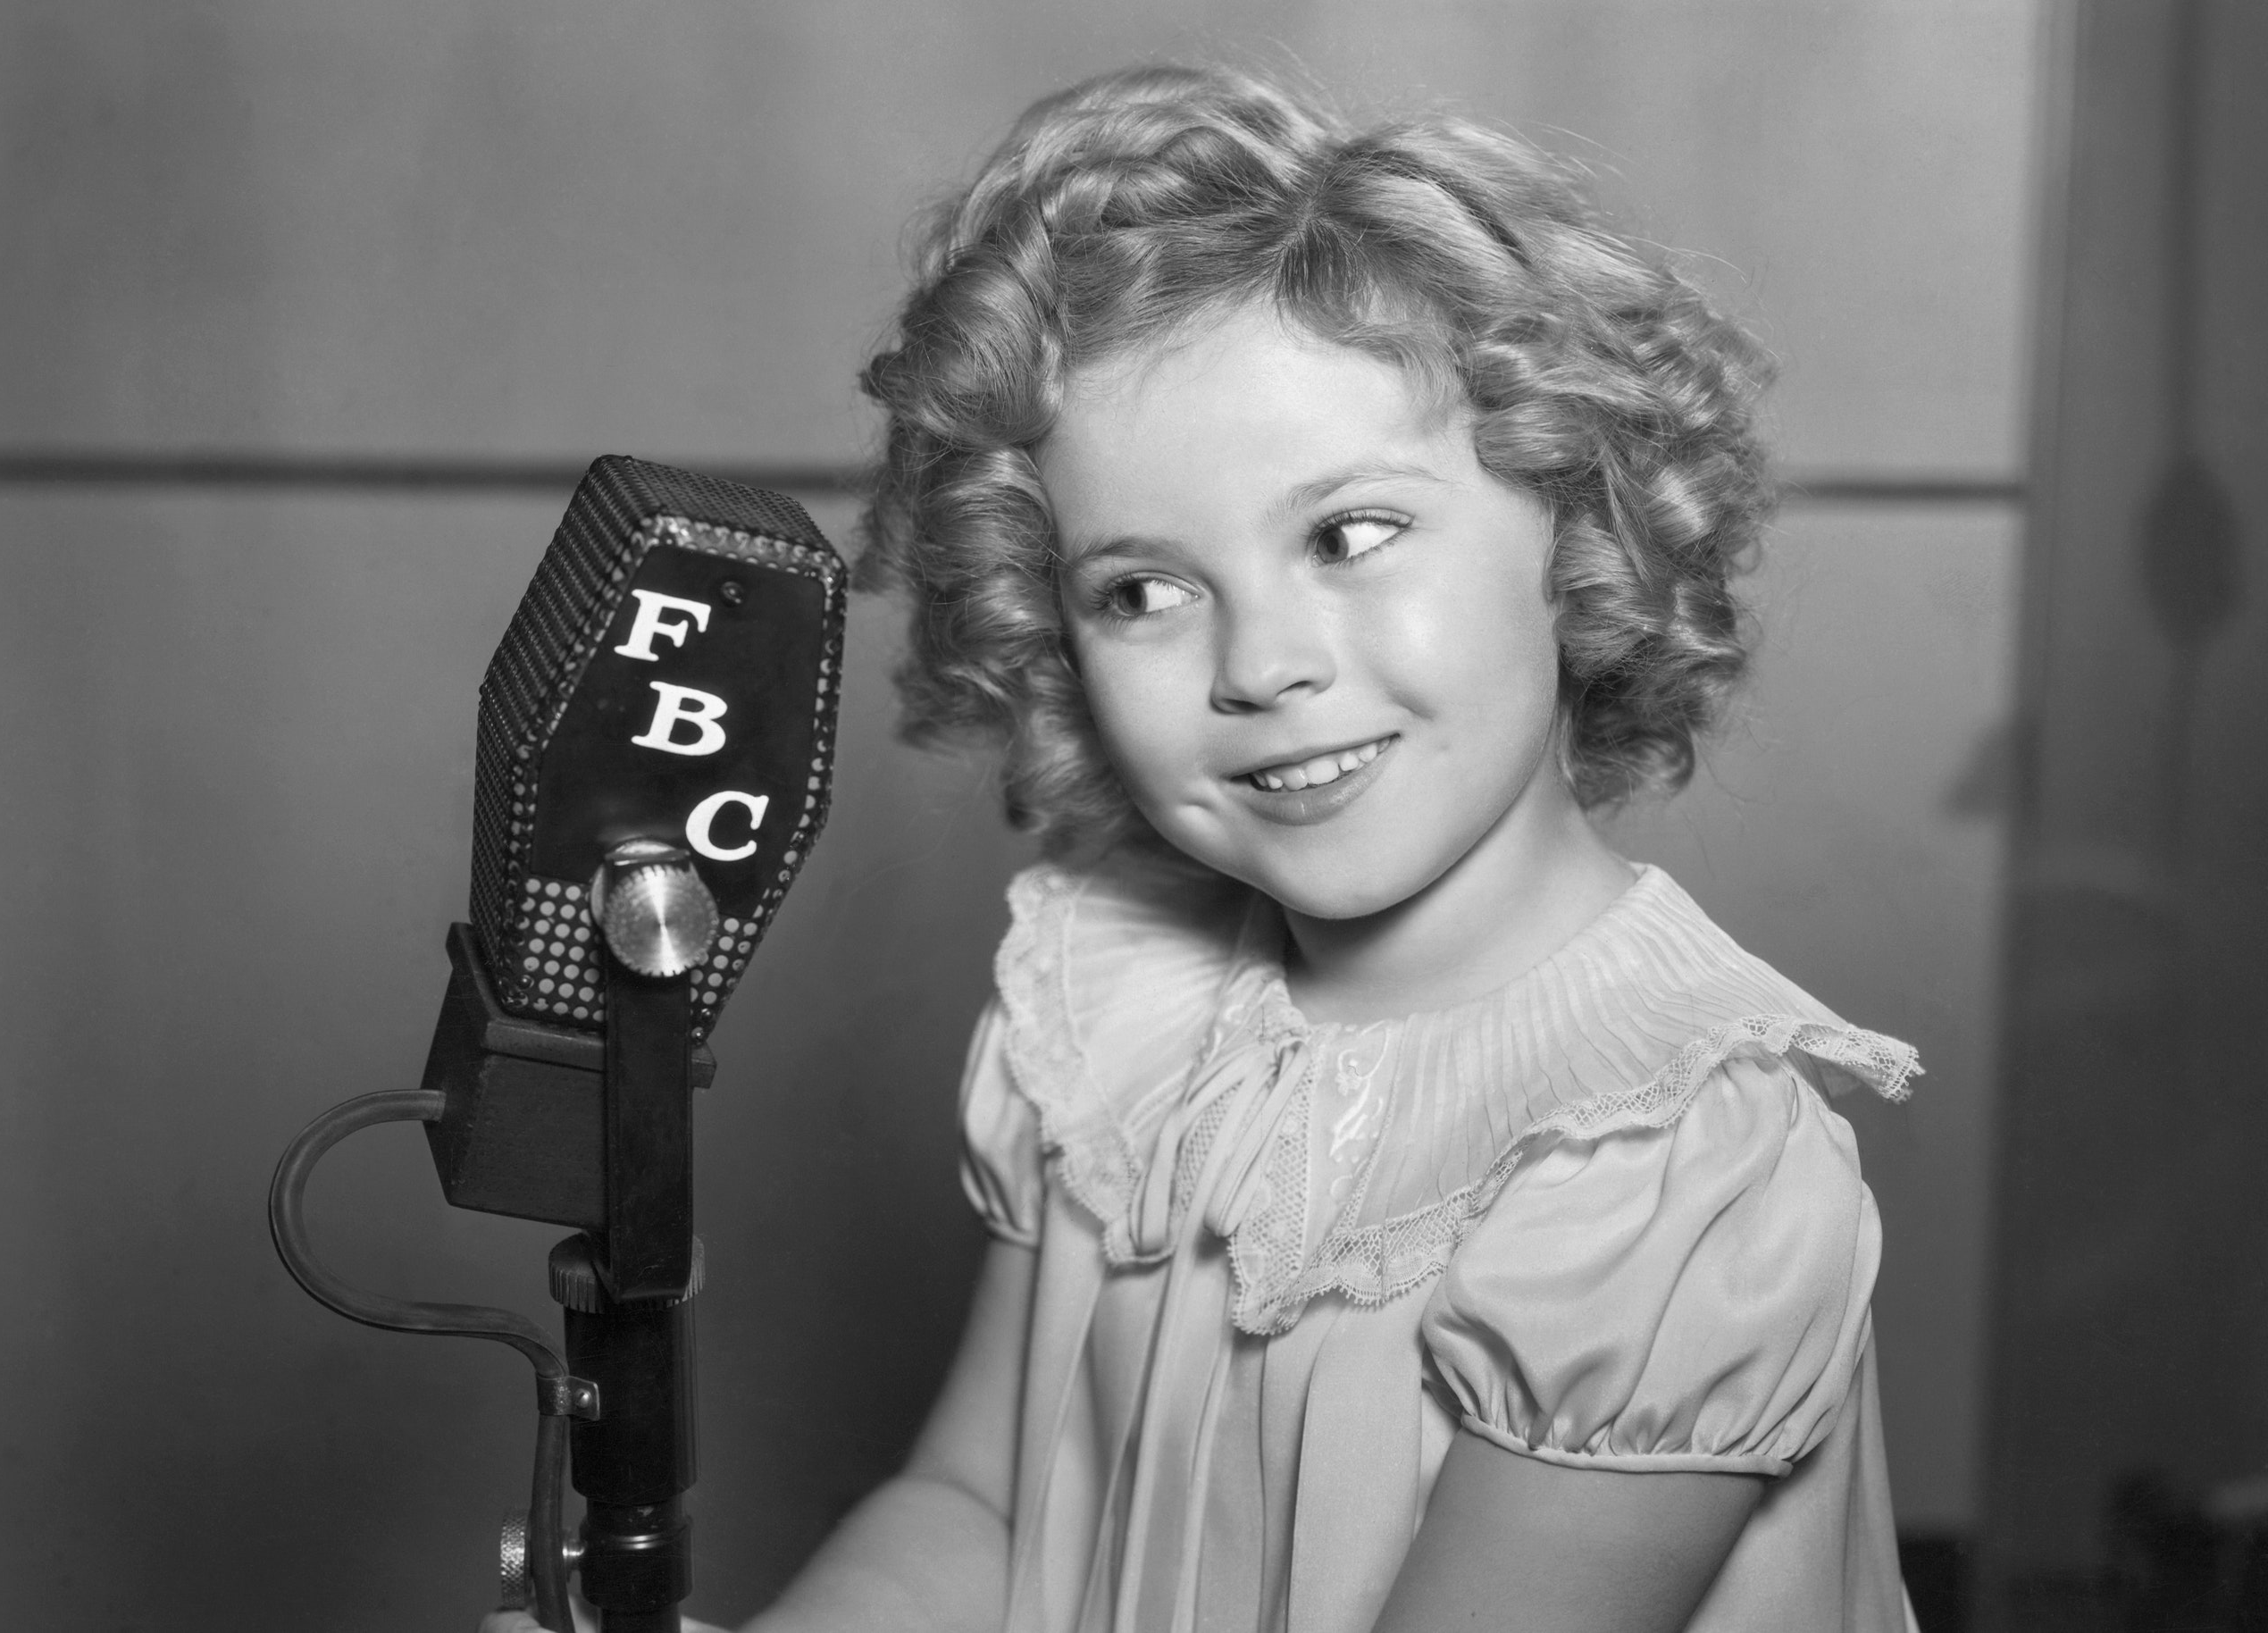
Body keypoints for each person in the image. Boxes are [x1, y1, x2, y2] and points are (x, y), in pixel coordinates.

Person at [493, 61, 1921, 1633]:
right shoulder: (1115, 1004)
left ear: (1579, 526)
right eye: (1143, 590)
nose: (1260, 663)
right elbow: (979, 1513)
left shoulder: (1670, 1164)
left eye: (1350, 532)